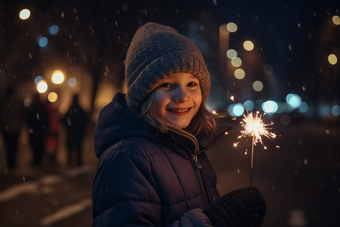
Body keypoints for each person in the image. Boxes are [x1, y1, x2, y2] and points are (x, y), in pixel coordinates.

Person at [92, 22, 267, 227]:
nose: (183, 96)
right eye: (167, 84)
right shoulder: (127, 158)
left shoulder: (189, 148)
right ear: (144, 95)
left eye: (191, 84)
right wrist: (211, 221)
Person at [0, 87, 25, 171]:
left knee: (7, 146)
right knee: (14, 145)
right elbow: (23, 114)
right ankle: (13, 162)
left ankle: (9, 162)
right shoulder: (19, 101)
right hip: (16, 128)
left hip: (5, 128)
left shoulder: (3, 101)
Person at [62, 94, 88, 167]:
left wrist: (68, 129)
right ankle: (78, 163)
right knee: (78, 149)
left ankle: (70, 163)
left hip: (71, 133)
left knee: (70, 149)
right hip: (78, 133)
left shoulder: (70, 110)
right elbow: (85, 121)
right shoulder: (81, 110)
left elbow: (64, 120)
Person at [26, 93, 50, 166]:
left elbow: (27, 118)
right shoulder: (42, 107)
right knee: (40, 144)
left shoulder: (32, 107)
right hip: (40, 130)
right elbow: (47, 119)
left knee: (35, 145)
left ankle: (36, 158)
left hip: (34, 129)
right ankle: (38, 159)